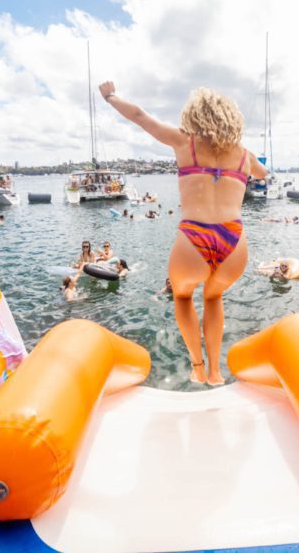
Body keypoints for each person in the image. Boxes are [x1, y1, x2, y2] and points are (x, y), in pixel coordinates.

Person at [100, 81, 266, 384]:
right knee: (214, 299)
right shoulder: (246, 156)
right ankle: (216, 370)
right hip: (233, 240)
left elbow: (139, 116)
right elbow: (263, 174)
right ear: (231, 118)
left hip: (194, 236)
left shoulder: (184, 143)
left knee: (183, 297)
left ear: (194, 115)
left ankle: (198, 367)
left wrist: (110, 97)